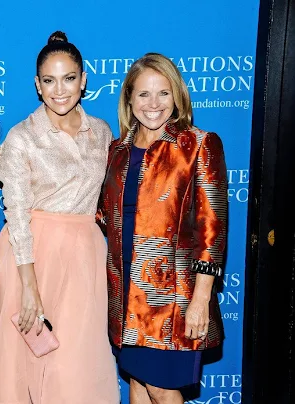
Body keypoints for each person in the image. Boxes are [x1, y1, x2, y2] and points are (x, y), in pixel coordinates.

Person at [0, 31, 120, 404]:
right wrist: (29, 287)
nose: (59, 90)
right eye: (49, 81)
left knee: (76, 367)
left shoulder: (102, 131)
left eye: (68, 79)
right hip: (30, 255)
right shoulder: (21, 137)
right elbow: (15, 214)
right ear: (37, 84)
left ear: (84, 80)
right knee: (27, 365)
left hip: (85, 257)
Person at [99, 52, 228, 404]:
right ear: (129, 98)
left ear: (177, 96)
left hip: (172, 297)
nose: (153, 104)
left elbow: (212, 229)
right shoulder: (117, 151)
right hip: (124, 293)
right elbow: (104, 217)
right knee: (137, 383)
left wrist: (201, 298)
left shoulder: (198, 145)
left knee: (159, 387)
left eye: (163, 93)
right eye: (143, 94)